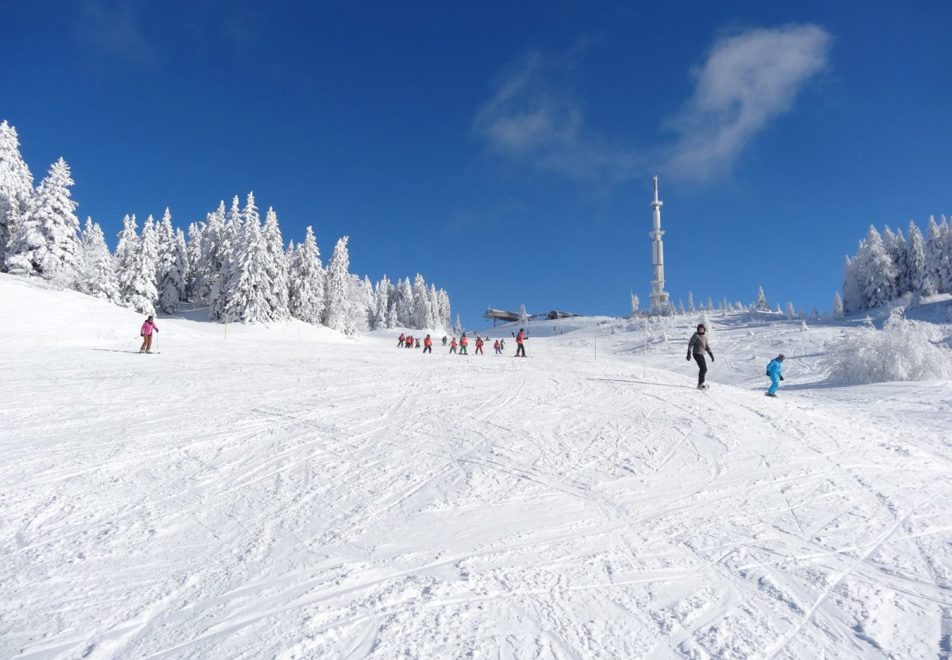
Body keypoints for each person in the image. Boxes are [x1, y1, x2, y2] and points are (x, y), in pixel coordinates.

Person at [686, 323, 714, 389]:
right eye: (700, 329)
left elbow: (707, 347)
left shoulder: (704, 338)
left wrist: (711, 355)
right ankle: (701, 384)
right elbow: (690, 344)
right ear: (698, 329)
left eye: (702, 329)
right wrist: (689, 353)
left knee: (705, 369)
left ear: (704, 330)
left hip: (701, 354)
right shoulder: (695, 336)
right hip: (696, 353)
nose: (701, 330)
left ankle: (701, 383)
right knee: (703, 368)